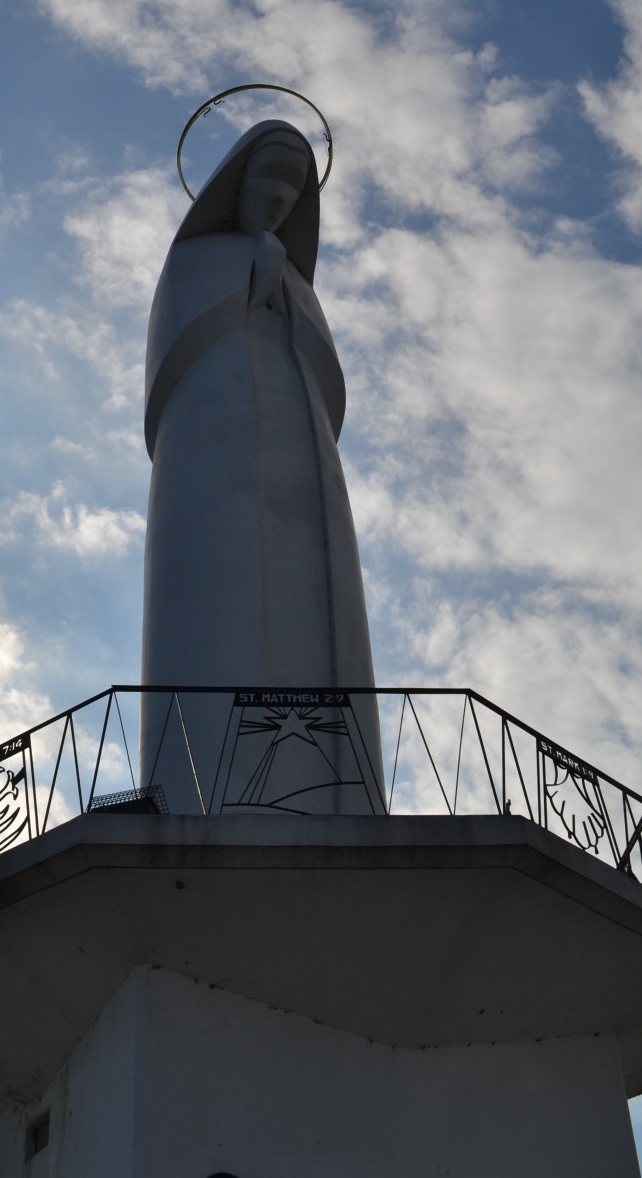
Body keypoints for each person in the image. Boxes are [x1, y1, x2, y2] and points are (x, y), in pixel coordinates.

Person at [139, 119, 383, 813]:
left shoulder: (303, 288)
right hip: (214, 444)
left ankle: (341, 786)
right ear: (237, 183)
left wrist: (283, 299)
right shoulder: (195, 260)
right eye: (267, 178)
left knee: (321, 592)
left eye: (291, 186)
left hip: (300, 456)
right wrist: (245, 287)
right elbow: (171, 361)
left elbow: (328, 383)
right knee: (223, 584)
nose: (276, 196)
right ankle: (200, 785)